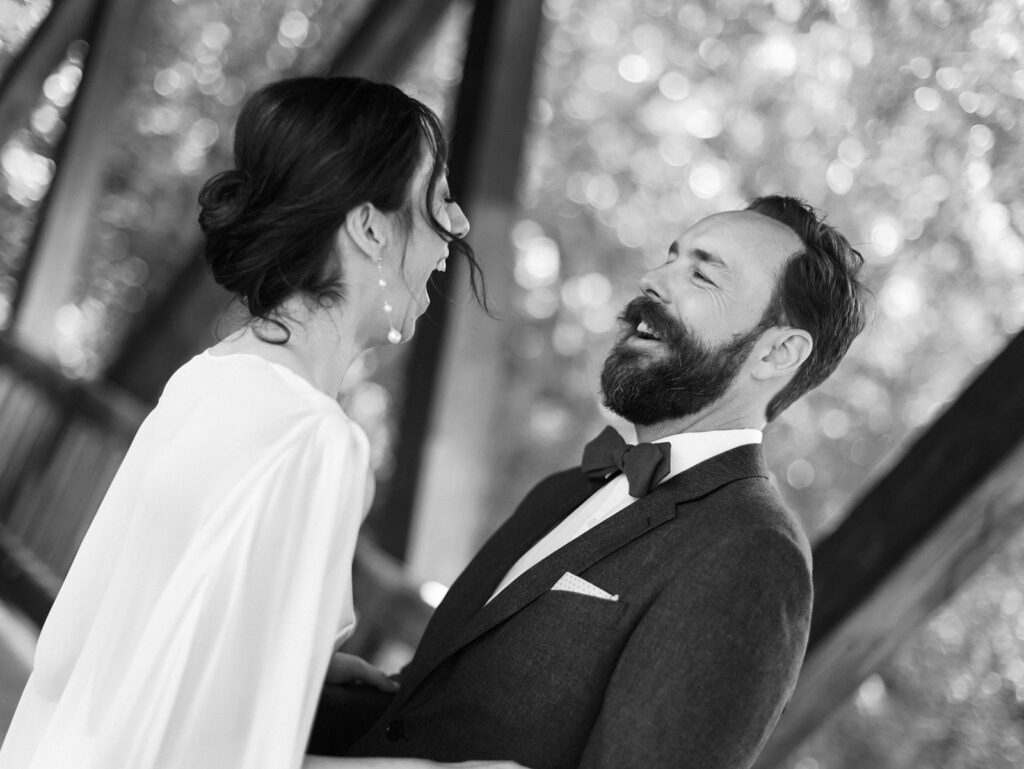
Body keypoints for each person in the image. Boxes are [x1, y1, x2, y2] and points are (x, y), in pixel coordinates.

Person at [0, 76, 522, 769]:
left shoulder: (211, 376)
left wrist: (291, 664)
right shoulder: (315, 440)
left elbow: (139, 625)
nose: (455, 226)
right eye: (441, 197)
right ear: (369, 227)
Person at [309, 196, 868, 769]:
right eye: (668, 259)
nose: (652, 280)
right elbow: (417, 718)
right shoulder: (563, 491)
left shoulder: (752, 555)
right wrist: (296, 687)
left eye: (701, 274)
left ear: (778, 352)